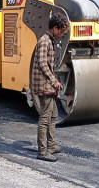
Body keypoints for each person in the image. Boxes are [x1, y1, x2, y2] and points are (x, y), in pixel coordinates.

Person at [30, 13, 68, 162]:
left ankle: (51, 145)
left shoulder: (50, 40)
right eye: (61, 31)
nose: (62, 34)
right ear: (55, 28)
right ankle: (42, 151)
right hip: (43, 85)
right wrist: (53, 82)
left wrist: (55, 84)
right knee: (45, 118)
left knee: (53, 115)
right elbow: (42, 63)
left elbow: (50, 66)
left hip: (48, 85)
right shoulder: (45, 41)